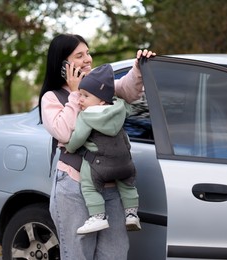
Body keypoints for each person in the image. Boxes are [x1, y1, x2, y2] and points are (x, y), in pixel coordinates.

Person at [38, 33, 155, 260]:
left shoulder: (98, 85)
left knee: (115, 253)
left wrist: (139, 67)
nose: (88, 59)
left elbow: (128, 90)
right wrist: (75, 94)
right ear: (63, 64)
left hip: (111, 186)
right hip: (74, 188)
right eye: (79, 55)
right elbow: (64, 132)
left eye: (88, 53)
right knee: (78, 254)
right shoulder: (52, 98)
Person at [64, 63, 140, 235]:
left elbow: (77, 139)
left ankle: (98, 217)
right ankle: (131, 214)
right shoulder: (120, 107)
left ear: (100, 100)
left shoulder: (86, 116)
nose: (80, 99)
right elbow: (132, 108)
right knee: (128, 186)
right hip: (125, 163)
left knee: (89, 186)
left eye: (85, 95)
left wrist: (69, 147)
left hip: (101, 166)